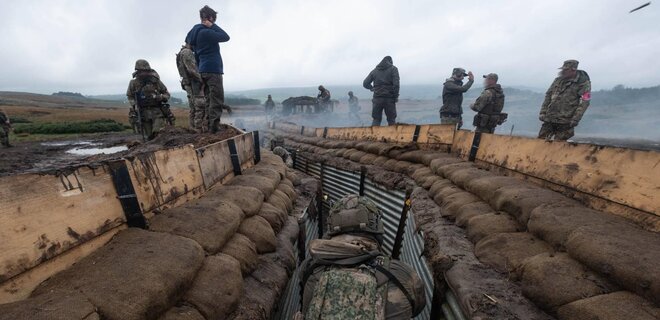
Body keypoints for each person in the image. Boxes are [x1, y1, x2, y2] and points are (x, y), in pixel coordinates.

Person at [298, 194, 426, 320]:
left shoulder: (309, 268)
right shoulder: (404, 275)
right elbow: (417, 309)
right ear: (376, 226)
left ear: (331, 227)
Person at [186, 5, 230, 133]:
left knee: (209, 100)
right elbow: (226, 37)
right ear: (210, 18)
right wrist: (212, 26)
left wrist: (200, 69)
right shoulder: (206, 32)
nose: (214, 22)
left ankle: (207, 127)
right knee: (216, 100)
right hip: (213, 69)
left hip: (203, 70)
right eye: (213, 20)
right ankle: (214, 130)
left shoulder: (194, 33)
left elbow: (196, 55)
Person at [538, 60, 591, 141]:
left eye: (566, 70)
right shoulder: (558, 80)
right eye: (563, 69)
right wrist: (543, 112)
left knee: (559, 145)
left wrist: (576, 118)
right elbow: (548, 96)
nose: (563, 71)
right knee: (540, 142)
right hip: (550, 118)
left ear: (573, 70)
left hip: (566, 121)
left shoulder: (583, 83)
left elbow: (585, 102)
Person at [126, 59, 173, 140]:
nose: (144, 73)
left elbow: (167, 93)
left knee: (158, 133)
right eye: (142, 71)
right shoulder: (133, 83)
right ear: (138, 71)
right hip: (143, 114)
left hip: (157, 112)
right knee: (149, 137)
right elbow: (130, 96)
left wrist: (161, 97)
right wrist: (134, 104)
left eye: (146, 71)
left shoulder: (155, 81)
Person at [363, 56, 400, 126]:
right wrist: (395, 97)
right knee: (391, 120)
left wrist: (371, 88)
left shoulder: (375, 71)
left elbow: (365, 83)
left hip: (377, 99)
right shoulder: (393, 69)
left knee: (376, 119)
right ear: (390, 61)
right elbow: (396, 85)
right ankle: (392, 136)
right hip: (389, 99)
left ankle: (373, 136)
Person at [176, 43, 205, 131]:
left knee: (193, 108)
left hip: (189, 83)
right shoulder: (187, 52)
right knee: (199, 106)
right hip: (193, 83)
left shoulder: (181, 53)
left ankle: (193, 128)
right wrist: (202, 80)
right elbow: (192, 70)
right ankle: (198, 128)